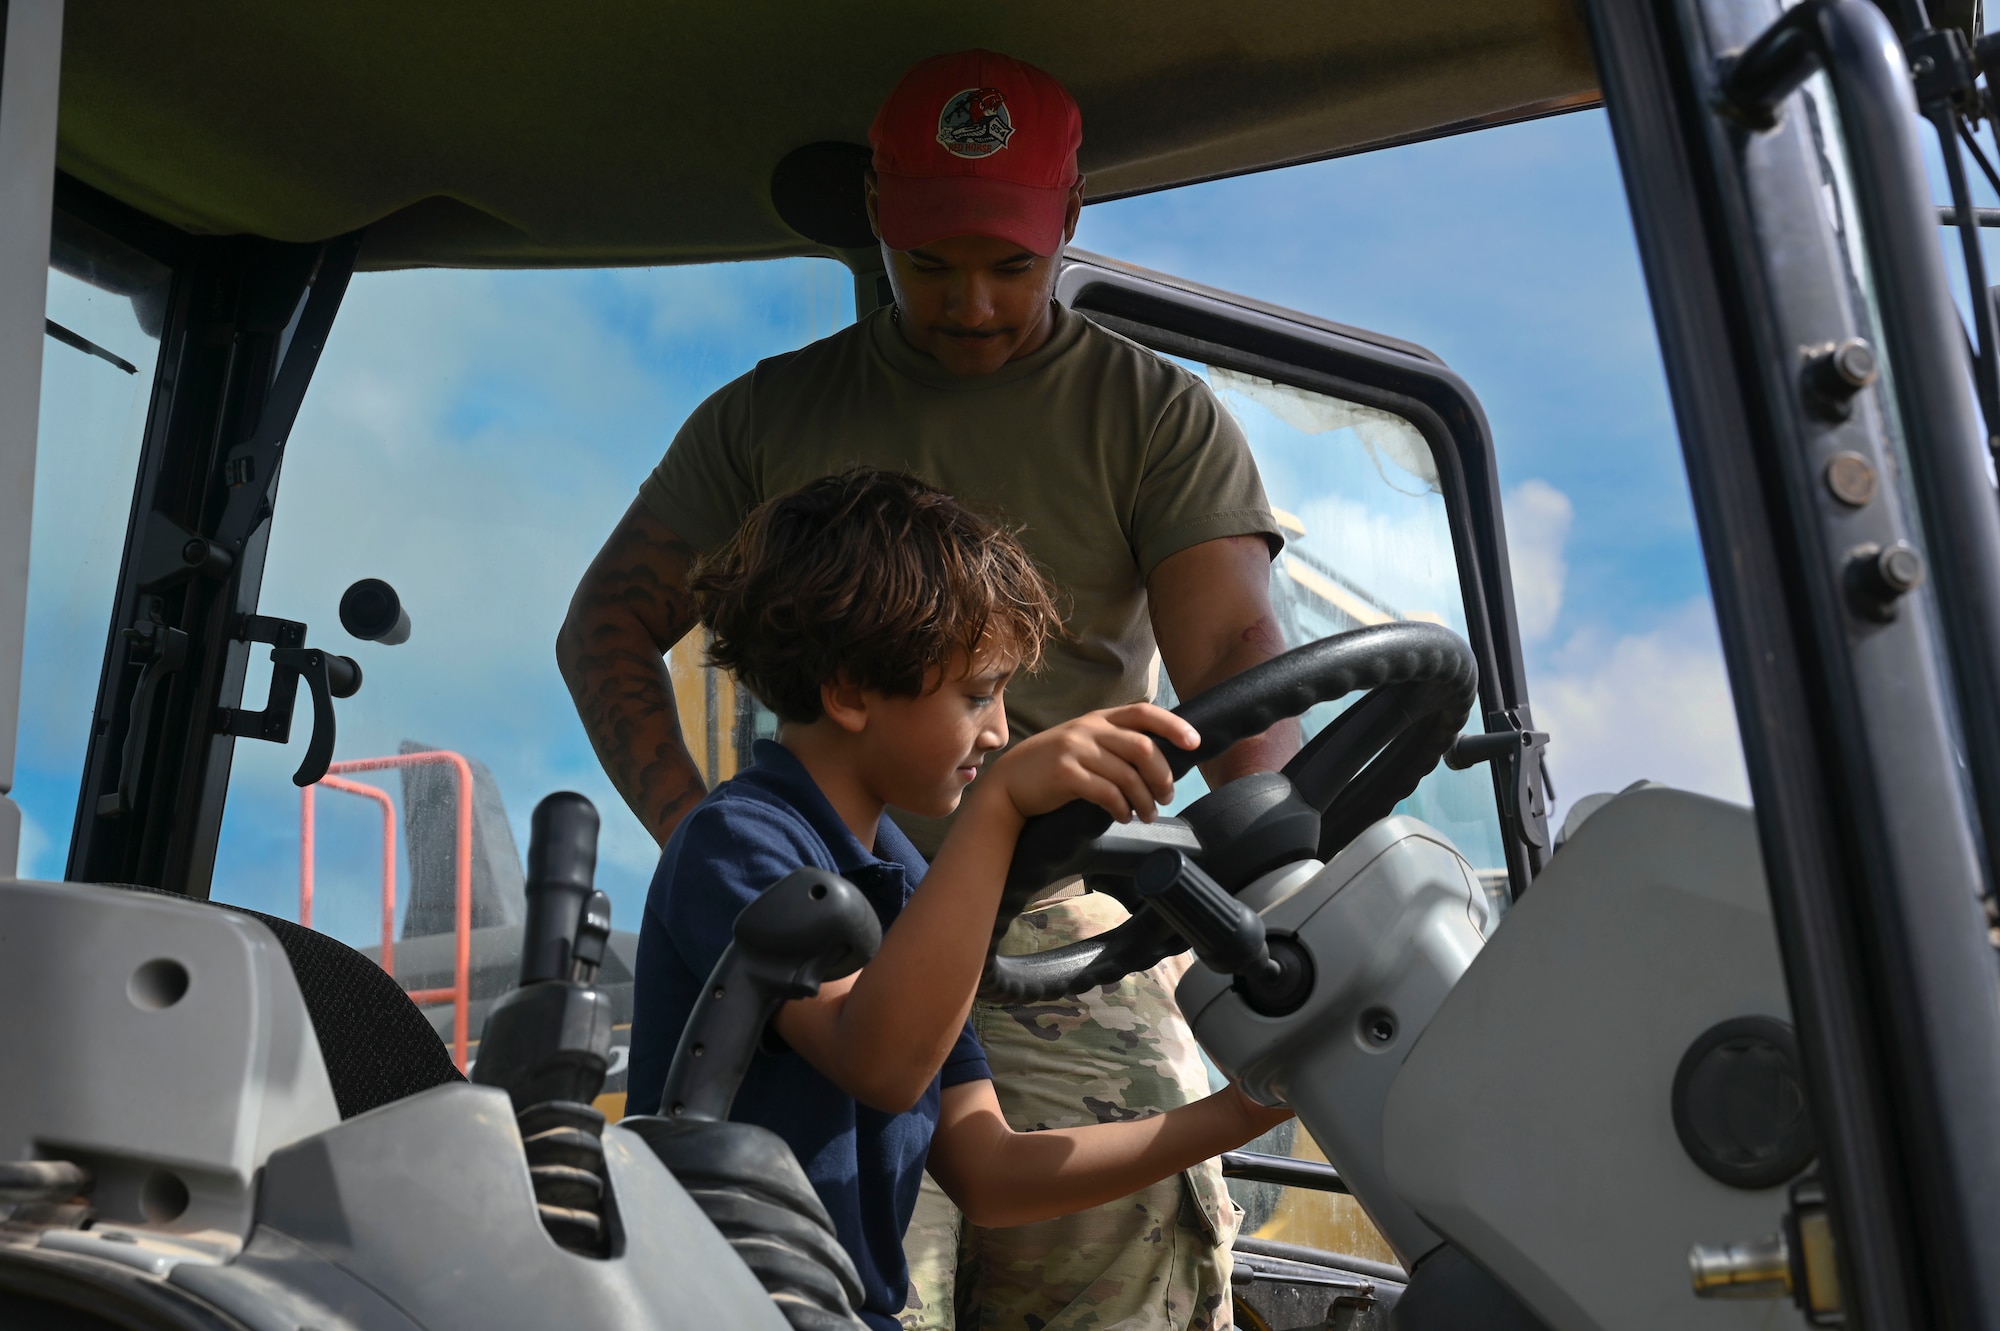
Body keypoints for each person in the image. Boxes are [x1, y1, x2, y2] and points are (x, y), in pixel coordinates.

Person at [558, 48, 1296, 1331]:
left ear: (1063, 226)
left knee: (1120, 1274)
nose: (968, 303)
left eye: (1007, 265)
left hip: (1068, 912)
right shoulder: (766, 421)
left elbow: (1233, 664)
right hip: (836, 911)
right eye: (930, 263)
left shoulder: (1150, 416)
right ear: (879, 229)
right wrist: (712, 859)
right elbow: (606, 628)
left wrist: (1285, 910)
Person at [624, 471, 1293, 1331]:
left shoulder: (903, 884)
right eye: (978, 695)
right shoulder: (741, 840)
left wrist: (1241, 1111)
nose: (1000, 731)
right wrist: (999, 808)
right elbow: (880, 1061)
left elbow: (989, 1170)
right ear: (851, 691)